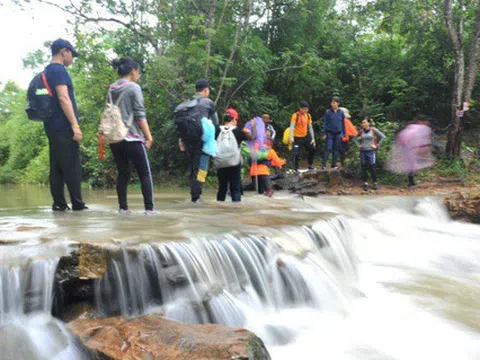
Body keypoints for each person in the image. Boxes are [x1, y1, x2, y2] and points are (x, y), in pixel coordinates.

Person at [107, 57, 155, 214]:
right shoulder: (134, 87)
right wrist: (149, 137)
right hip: (132, 137)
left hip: (115, 138)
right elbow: (140, 114)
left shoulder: (111, 88)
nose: (138, 75)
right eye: (138, 72)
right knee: (144, 173)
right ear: (133, 71)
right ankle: (149, 210)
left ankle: (123, 209)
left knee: (123, 173)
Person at [44, 39, 87, 211]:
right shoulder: (58, 70)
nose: (72, 58)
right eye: (72, 54)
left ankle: (59, 204)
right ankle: (78, 205)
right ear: (64, 52)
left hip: (51, 126)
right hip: (63, 127)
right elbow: (63, 97)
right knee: (72, 166)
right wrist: (75, 126)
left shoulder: (47, 71)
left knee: (57, 166)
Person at [178, 79, 218, 203]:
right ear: (206, 90)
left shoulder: (187, 104)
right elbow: (215, 124)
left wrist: (181, 140)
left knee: (193, 167)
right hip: (203, 142)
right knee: (202, 169)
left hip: (188, 141)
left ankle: (193, 194)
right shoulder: (208, 102)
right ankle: (197, 196)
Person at [215, 109, 256, 202]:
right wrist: (253, 127)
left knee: (222, 189)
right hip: (234, 164)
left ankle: (218, 209)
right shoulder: (238, 132)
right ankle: (236, 210)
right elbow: (253, 138)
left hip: (220, 164)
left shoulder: (217, 130)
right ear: (233, 120)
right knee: (235, 189)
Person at [387, 117, 434, 188]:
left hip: (412, 149)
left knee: (411, 166)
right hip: (412, 149)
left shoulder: (414, 129)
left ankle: (410, 181)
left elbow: (402, 138)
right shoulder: (420, 129)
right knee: (411, 166)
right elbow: (404, 138)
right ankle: (410, 182)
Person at [354, 119, 386, 191]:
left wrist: (377, 145)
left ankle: (375, 183)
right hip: (363, 151)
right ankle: (365, 183)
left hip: (371, 151)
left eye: (364, 122)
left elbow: (383, 137)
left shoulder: (373, 130)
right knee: (364, 166)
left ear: (368, 123)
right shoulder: (361, 131)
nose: (363, 124)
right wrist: (358, 145)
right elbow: (354, 138)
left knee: (372, 166)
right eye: (362, 122)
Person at [289, 101, 316, 173]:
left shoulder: (308, 116)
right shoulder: (295, 115)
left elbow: (310, 127)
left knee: (312, 148)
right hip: (297, 137)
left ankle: (310, 164)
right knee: (296, 153)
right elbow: (292, 126)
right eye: (304, 109)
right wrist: (291, 137)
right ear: (300, 108)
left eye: (306, 109)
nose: (305, 110)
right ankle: (296, 168)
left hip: (305, 136)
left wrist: (313, 138)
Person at [322, 97, 345, 170]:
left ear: (338, 103)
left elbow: (343, 123)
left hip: (338, 133)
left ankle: (333, 164)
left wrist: (343, 133)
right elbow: (325, 123)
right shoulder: (328, 112)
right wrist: (324, 133)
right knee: (328, 148)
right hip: (330, 133)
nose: (332, 104)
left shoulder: (341, 112)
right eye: (332, 103)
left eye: (334, 103)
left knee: (336, 149)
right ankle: (324, 164)